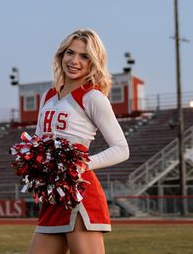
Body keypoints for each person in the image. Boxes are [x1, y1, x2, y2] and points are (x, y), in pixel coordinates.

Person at [27, 29, 129, 254]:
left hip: (79, 194)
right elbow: (37, 142)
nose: (74, 61)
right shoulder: (48, 96)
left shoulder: (93, 97)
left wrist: (82, 164)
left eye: (84, 56)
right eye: (70, 53)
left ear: (93, 62)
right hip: (54, 196)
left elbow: (122, 149)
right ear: (61, 55)